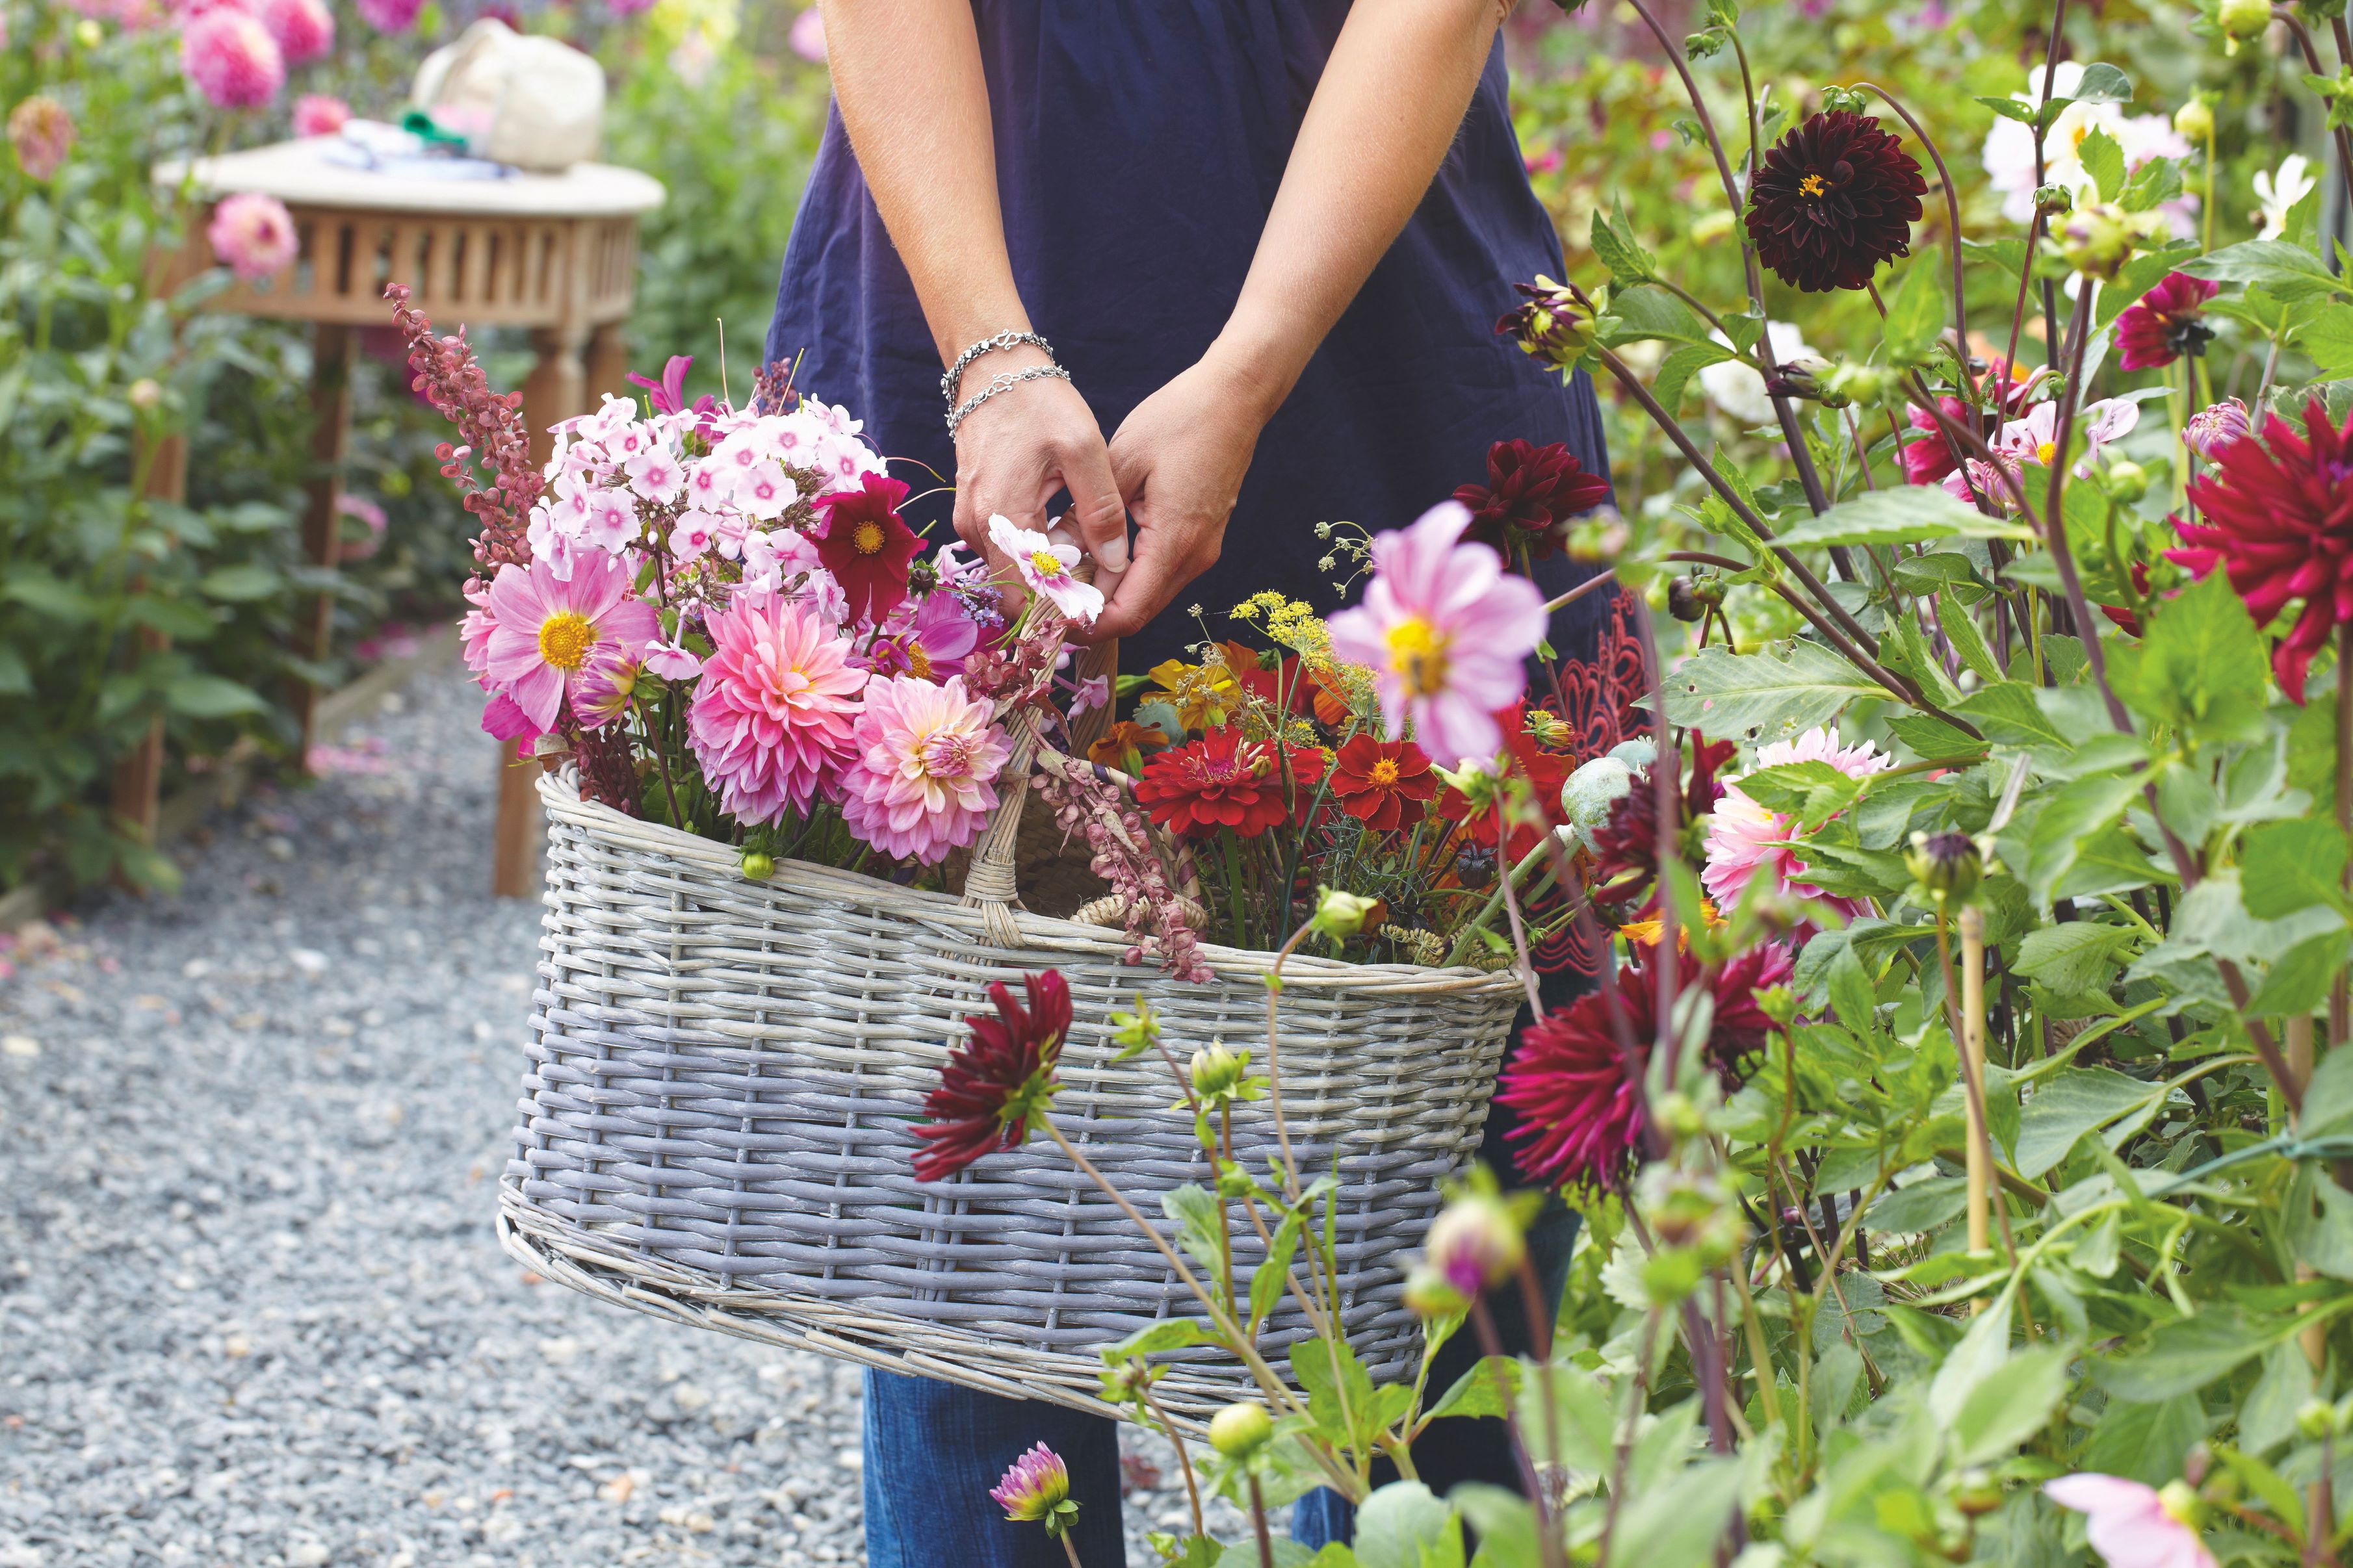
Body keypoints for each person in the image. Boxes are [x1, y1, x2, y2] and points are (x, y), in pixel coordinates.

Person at [763, 3, 1644, 1562]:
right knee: (972, 1196)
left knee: (1428, 1222)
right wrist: (988, 350)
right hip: (971, 271)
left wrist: (1248, 370)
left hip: (1368, 315)